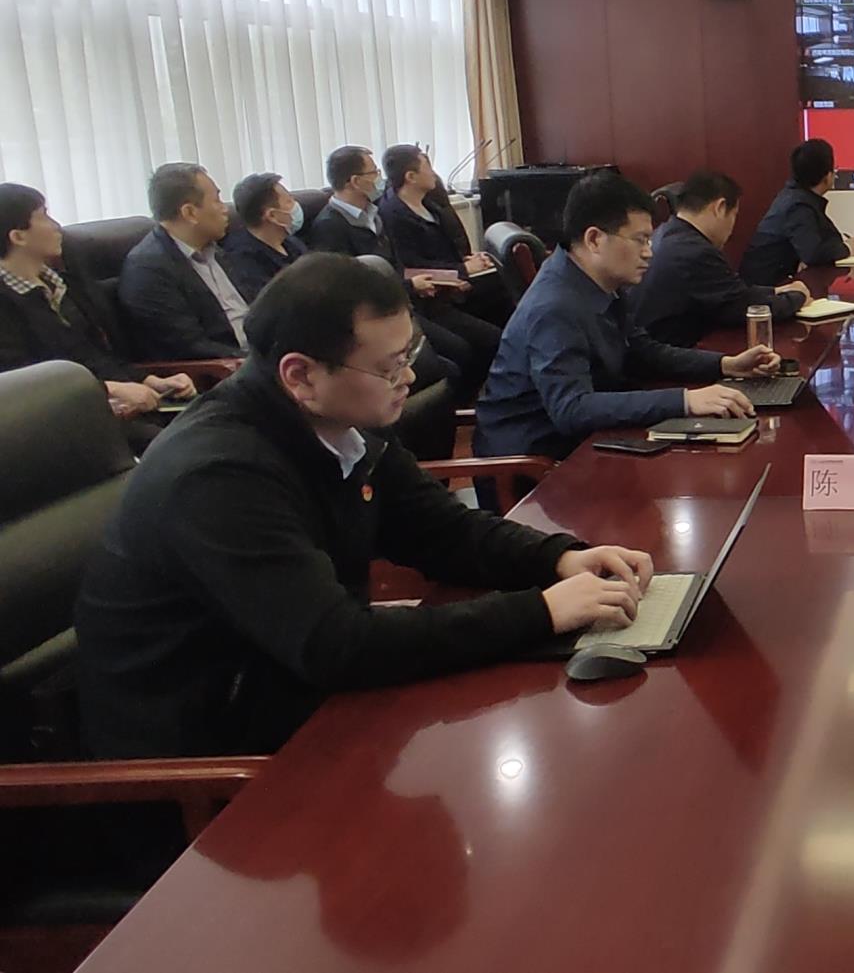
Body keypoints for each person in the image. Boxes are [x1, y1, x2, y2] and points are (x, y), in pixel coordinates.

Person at [73, 253, 660, 759]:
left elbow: (440, 529)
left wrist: (558, 558)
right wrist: (541, 612)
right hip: (214, 758)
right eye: (389, 367)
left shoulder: (340, 422)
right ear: (300, 375)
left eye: (409, 354)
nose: (409, 376)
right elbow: (337, 645)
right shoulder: (218, 476)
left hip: (293, 688)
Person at [476, 172, 779, 460]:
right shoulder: (554, 306)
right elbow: (572, 408)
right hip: (536, 464)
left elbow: (642, 351)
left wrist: (726, 364)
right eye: (640, 240)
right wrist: (685, 401)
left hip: (584, 442)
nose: (649, 252)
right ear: (595, 240)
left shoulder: (600, 282)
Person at [0, 183, 194, 453]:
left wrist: (149, 380)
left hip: (122, 407)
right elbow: (25, 386)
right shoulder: (6, 304)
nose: (56, 226)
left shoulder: (64, 283)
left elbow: (97, 357)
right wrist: (110, 389)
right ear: (18, 236)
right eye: (44, 216)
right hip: (64, 425)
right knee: (186, 449)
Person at [307, 145, 499, 391]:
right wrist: (411, 285)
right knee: (460, 351)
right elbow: (348, 286)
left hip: (406, 301)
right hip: (378, 316)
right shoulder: (329, 227)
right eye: (373, 173)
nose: (380, 179)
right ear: (355, 181)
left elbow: (396, 265)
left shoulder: (372, 214)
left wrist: (429, 281)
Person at [634, 169, 811, 346]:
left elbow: (731, 292)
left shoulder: (666, 233)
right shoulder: (695, 252)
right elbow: (744, 308)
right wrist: (798, 297)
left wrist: (775, 291)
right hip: (668, 353)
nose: (732, 227)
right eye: (734, 215)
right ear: (720, 207)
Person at [118, 162, 253, 360]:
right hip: (228, 366)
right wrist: (256, 360)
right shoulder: (148, 269)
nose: (225, 209)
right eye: (216, 200)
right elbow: (190, 347)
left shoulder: (216, 250)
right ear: (190, 213)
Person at [378, 144, 511, 327]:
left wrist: (468, 259)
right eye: (428, 167)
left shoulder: (428, 203)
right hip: (435, 297)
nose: (434, 174)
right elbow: (412, 266)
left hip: (454, 279)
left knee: (507, 281)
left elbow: (446, 246)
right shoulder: (394, 216)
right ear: (411, 177)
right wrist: (461, 270)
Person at [739, 138, 854, 286]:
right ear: (827, 176)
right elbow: (813, 253)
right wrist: (848, 248)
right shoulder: (797, 205)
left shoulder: (799, 196)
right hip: (764, 288)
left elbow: (826, 239)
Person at [221, 172, 307, 301]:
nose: (296, 205)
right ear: (272, 215)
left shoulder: (291, 242)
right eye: (289, 201)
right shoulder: (243, 260)